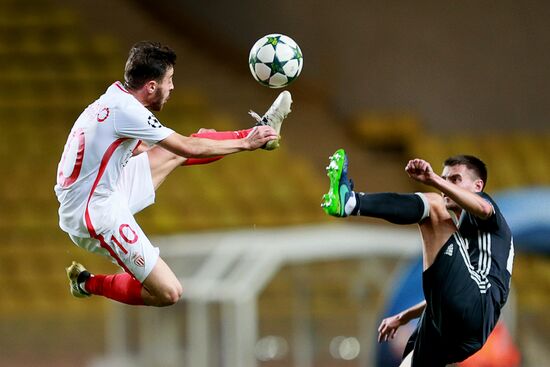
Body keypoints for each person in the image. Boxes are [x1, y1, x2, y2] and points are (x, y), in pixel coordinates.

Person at [55, 41, 292, 307]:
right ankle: (86, 282)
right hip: (94, 214)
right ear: (152, 86)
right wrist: (243, 145)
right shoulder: (127, 111)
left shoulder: (116, 97)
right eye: (169, 80)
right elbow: (187, 147)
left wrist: (209, 144)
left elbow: (165, 151)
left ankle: (263, 131)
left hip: (100, 189)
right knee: (168, 292)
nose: (172, 87)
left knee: (173, 151)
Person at [321, 149, 514, 367]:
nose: (446, 186)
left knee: (433, 205)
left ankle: (350, 202)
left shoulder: (488, 213)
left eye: (455, 179)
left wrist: (432, 180)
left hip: (478, 304)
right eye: (444, 179)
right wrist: (405, 316)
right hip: (462, 332)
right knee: (411, 360)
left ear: (478, 186)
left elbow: (484, 208)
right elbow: (450, 292)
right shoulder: (463, 241)